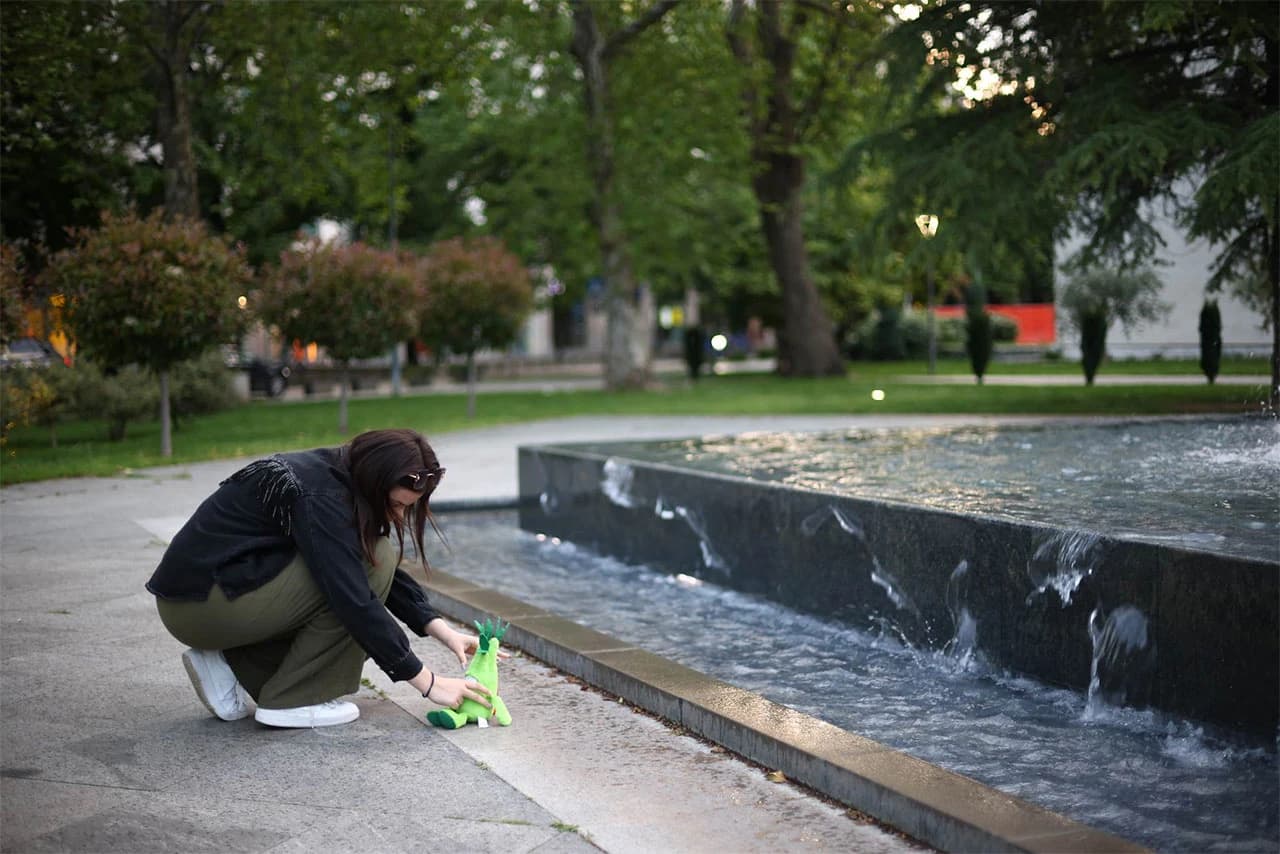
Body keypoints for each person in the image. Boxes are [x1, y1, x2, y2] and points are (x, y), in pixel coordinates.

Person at [147, 428, 494, 728]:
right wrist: (429, 683)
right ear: (375, 482)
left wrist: (441, 630)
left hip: (199, 601)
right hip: (203, 607)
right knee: (363, 574)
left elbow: (370, 571)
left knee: (371, 559)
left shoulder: (335, 473)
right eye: (398, 505)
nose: (401, 516)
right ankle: (291, 701)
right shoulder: (323, 497)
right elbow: (354, 597)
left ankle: (229, 664)